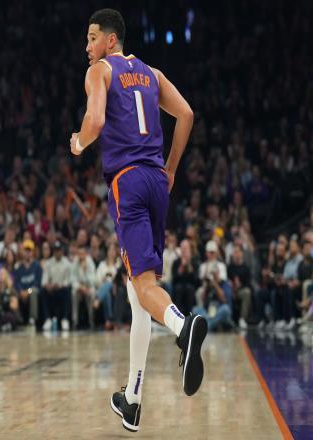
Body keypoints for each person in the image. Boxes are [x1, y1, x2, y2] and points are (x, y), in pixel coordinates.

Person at [70, 9, 205, 432]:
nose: (88, 47)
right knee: (138, 293)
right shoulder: (152, 74)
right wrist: (171, 168)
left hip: (127, 181)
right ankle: (132, 399)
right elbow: (186, 115)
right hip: (156, 182)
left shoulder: (100, 71)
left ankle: (183, 327)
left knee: (145, 288)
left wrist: (78, 143)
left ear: (111, 40)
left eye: (92, 38)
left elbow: (94, 122)